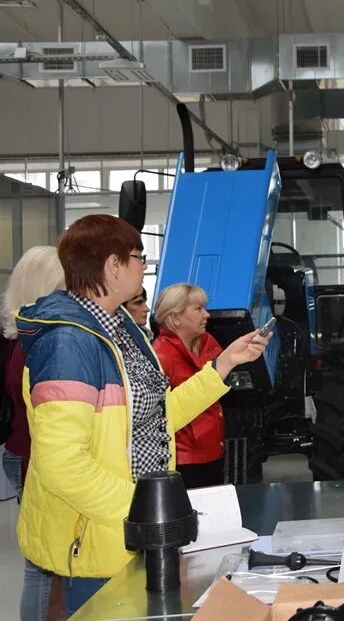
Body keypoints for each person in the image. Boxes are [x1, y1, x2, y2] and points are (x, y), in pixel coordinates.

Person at [14, 214, 270, 617]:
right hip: (100, 539)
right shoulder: (68, 343)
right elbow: (62, 464)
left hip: (134, 535)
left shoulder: (122, 331)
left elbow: (155, 417)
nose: (144, 266)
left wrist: (222, 365)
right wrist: (144, 508)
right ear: (113, 265)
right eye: (139, 257)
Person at [2, 246, 63, 621]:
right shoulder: (36, 341)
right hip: (31, 456)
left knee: (42, 564)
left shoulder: (22, 336)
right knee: (42, 564)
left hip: (22, 450)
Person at [152, 283, 226, 489]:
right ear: (175, 318)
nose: (207, 315)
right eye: (198, 309)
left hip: (212, 454)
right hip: (184, 463)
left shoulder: (208, 346)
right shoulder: (161, 357)